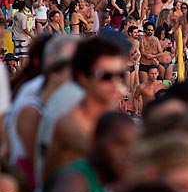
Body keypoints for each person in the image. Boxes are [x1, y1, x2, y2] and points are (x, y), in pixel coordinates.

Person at [44, 36, 128, 182]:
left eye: (120, 76)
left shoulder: (104, 110)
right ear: (83, 76)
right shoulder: (69, 107)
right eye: (105, 76)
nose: (115, 83)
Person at [12, 0, 33, 67]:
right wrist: (32, 36)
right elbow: (24, 29)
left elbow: (22, 16)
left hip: (16, 37)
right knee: (24, 57)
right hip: (23, 38)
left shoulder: (16, 14)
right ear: (24, 7)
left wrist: (30, 16)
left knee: (17, 56)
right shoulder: (23, 17)